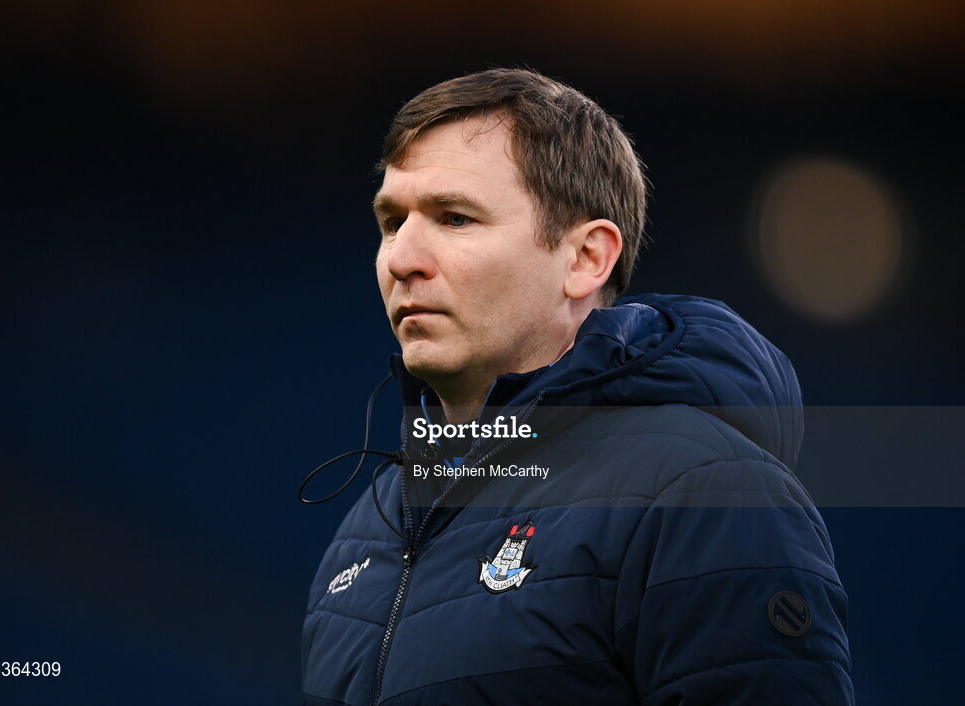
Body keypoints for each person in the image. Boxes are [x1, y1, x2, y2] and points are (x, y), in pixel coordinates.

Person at [301, 68, 853, 705]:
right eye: (392, 221)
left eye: (454, 218)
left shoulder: (702, 495)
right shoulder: (369, 529)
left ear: (587, 259)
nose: (402, 259)